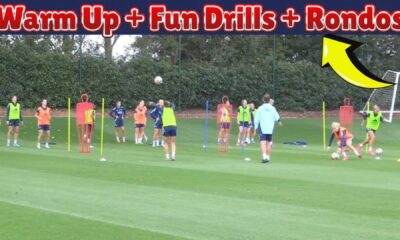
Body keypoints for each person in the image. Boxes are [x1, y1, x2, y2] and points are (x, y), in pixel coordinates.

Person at [254, 94, 282, 163]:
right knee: (268, 143)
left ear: (263, 99)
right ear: (269, 100)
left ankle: (264, 157)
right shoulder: (273, 108)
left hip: (263, 128)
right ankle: (268, 158)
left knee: (263, 143)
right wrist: (279, 121)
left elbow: (256, 119)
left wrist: (256, 127)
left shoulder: (260, 108)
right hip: (270, 129)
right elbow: (277, 117)